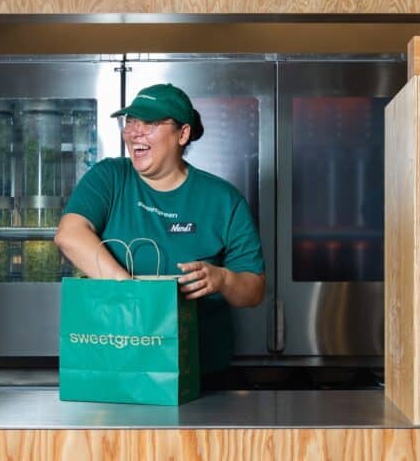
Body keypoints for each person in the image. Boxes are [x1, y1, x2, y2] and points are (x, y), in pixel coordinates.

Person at [55, 83, 266, 378]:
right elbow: (70, 234)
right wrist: (133, 295)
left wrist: (223, 278)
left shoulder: (223, 200)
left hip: (200, 373)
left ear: (183, 134)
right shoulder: (110, 178)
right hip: (115, 365)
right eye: (130, 121)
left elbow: (254, 290)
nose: (135, 132)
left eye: (150, 122)